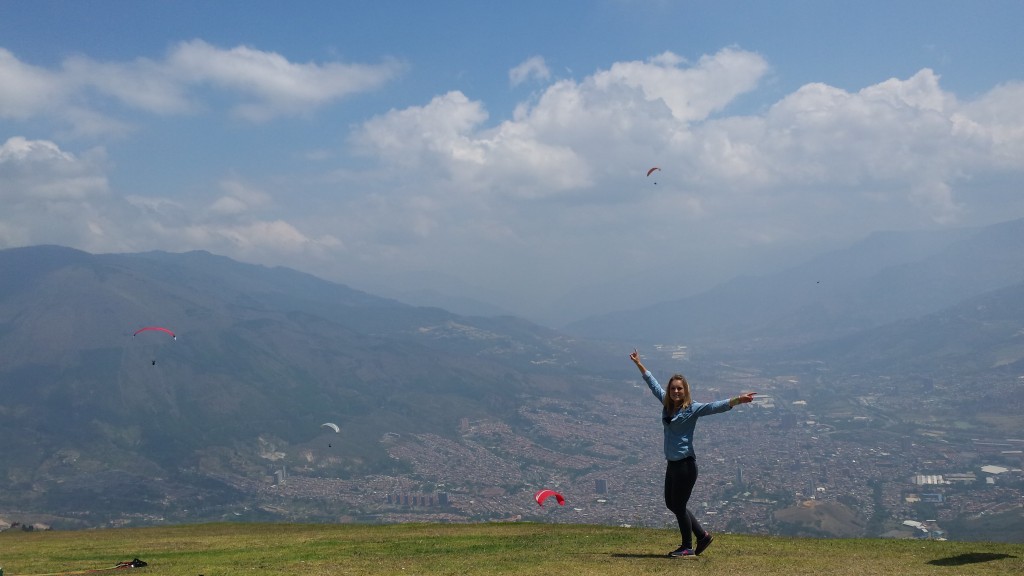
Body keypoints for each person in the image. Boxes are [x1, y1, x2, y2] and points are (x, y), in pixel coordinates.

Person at [630, 348, 755, 558]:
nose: (676, 392)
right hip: (672, 464)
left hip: (685, 465)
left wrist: (737, 400)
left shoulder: (692, 409)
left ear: (685, 390)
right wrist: (639, 364)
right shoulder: (666, 404)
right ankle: (702, 536)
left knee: (678, 505)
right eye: (673, 389)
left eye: (679, 389)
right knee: (672, 503)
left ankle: (687, 547)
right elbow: (653, 385)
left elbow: (714, 406)